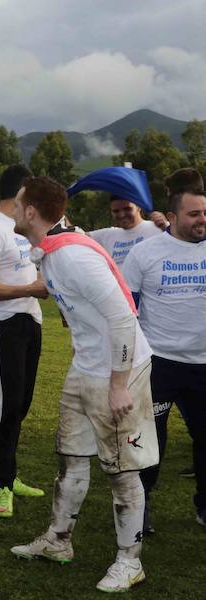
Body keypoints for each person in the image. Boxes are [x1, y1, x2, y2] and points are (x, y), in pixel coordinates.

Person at [9, 176, 158, 593]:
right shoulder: (57, 245)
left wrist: (118, 385)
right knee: (71, 454)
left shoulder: (72, 256)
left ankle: (130, 561)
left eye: (18, 205)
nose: (14, 211)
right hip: (86, 366)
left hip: (117, 371)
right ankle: (58, 541)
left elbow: (124, 318)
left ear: (33, 213)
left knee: (121, 469)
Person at [122, 169, 206, 532]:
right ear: (171, 217)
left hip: (204, 364)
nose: (203, 219)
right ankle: (142, 504)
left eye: (205, 213)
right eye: (194, 214)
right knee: (150, 440)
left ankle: (205, 506)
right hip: (159, 363)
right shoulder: (146, 253)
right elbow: (127, 310)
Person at [0, 164, 48, 518]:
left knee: (23, 402)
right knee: (8, 403)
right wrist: (30, 289)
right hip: (3, 324)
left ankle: (5, 474)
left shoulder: (22, 228)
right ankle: (2, 483)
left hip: (30, 319)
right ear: (21, 192)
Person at [88, 195, 165, 266]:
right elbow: (79, 236)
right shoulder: (108, 235)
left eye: (127, 209)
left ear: (138, 206)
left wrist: (167, 227)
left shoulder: (158, 227)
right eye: (116, 211)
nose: (122, 215)